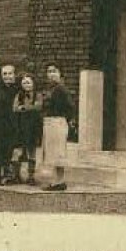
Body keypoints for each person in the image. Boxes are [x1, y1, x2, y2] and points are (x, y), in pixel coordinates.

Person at [42, 63, 74, 191]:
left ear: (60, 74)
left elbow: (70, 106)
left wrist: (66, 119)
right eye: (49, 71)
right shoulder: (51, 89)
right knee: (52, 153)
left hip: (58, 121)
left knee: (58, 153)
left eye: (54, 71)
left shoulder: (61, 89)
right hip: (50, 121)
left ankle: (59, 181)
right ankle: (56, 180)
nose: (51, 74)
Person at [11, 72, 43, 184]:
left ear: (33, 84)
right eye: (24, 82)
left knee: (31, 151)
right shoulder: (19, 95)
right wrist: (29, 107)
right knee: (17, 150)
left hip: (33, 126)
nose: (26, 85)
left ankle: (31, 176)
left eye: (28, 82)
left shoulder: (37, 95)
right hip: (20, 126)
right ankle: (16, 175)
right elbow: (15, 108)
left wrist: (24, 107)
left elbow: (38, 107)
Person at [0, 64, 19, 185]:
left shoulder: (18, 90)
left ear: (14, 75)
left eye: (10, 73)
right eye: (4, 74)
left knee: (12, 149)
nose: (7, 76)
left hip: (14, 124)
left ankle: (11, 174)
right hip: (0, 124)